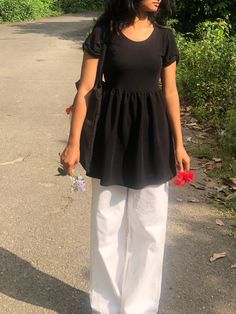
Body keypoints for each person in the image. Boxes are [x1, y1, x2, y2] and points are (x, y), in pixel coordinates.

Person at [60, 0, 191, 313]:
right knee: (108, 224)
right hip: (111, 136)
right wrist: (73, 142)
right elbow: (86, 90)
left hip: (152, 135)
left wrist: (180, 144)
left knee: (150, 227)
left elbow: (170, 92)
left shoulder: (165, 37)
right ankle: (105, 306)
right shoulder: (103, 32)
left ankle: (140, 307)